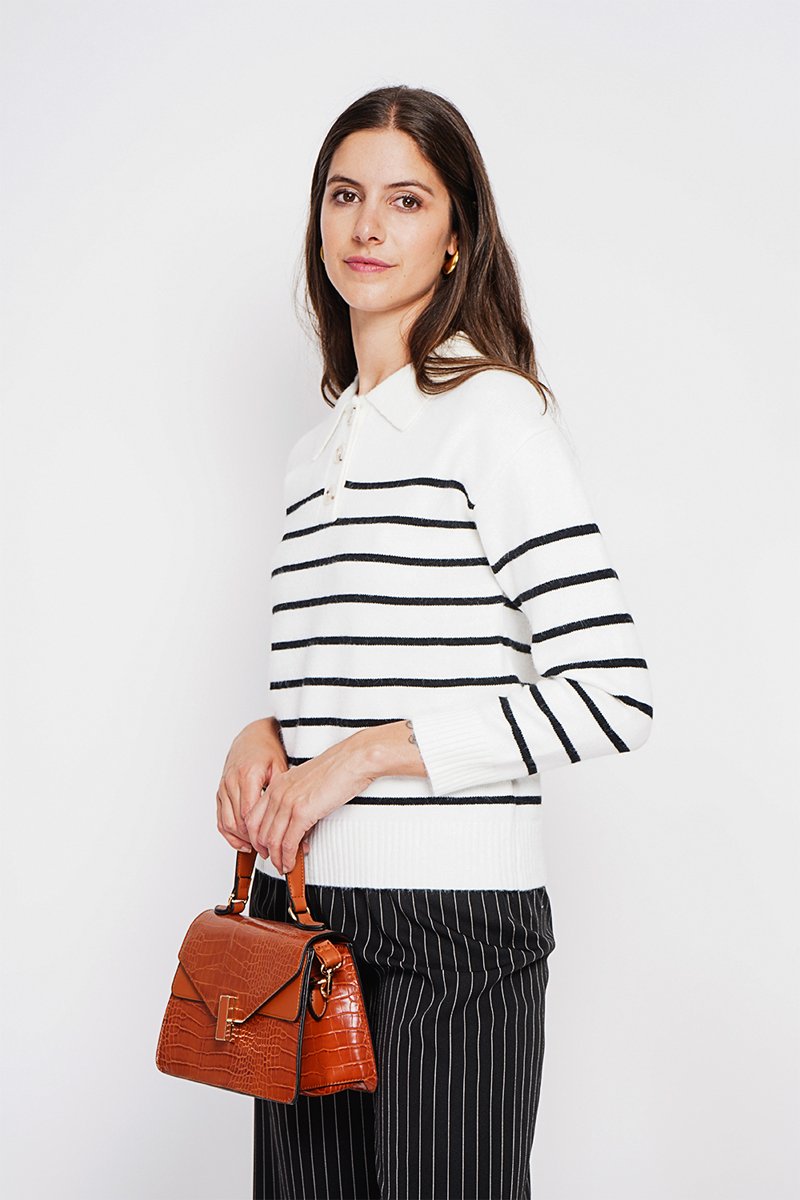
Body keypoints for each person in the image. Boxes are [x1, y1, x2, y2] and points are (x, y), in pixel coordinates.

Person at [216, 84, 654, 1200]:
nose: (367, 225)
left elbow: (609, 694)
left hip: (453, 926)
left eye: (406, 200)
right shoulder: (314, 453)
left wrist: (361, 756)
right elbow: (369, 661)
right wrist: (269, 733)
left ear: (457, 234)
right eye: (344, 195)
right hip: (303, 915)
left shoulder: (494, 416)